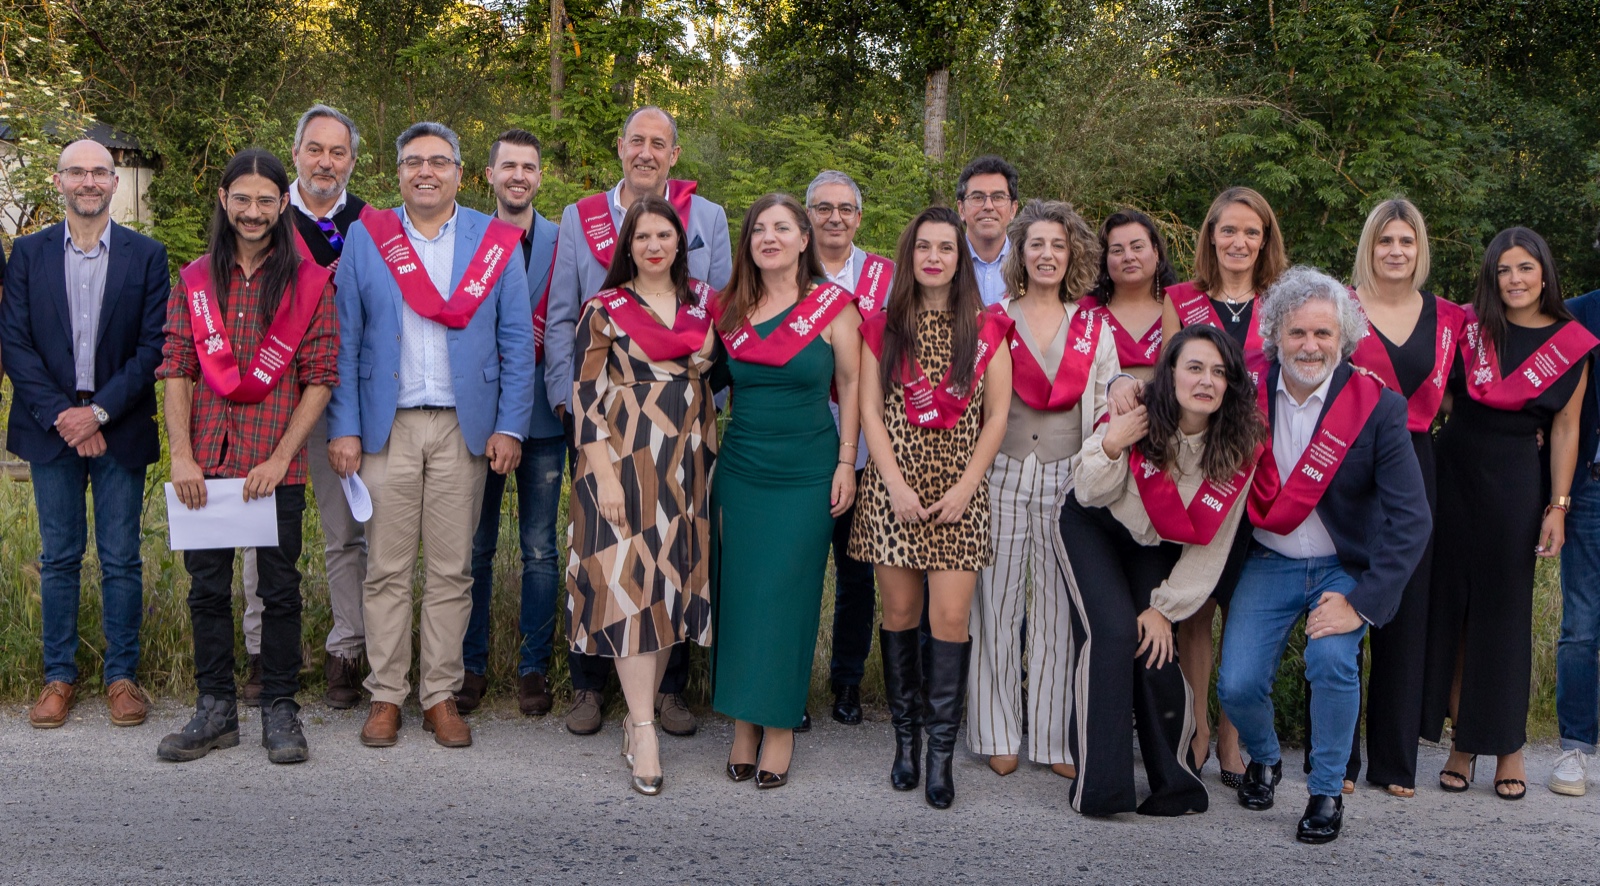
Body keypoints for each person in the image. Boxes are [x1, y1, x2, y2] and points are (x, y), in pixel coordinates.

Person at [327, 122, 535, 750]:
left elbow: (517, 341)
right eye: (413, 161)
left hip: (461, 428)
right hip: (385, 427)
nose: (426, 171)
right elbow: (346, 337)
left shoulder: (493, 241)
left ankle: (439, 695)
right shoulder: (368, 238)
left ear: (460, 174)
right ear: (396, 173)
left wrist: (509, 424)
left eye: (439, 162)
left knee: (451, 570)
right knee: (386, 568)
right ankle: (386, 695)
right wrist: (344, 427)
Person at [1217, 266, 1429, 843]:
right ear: (1275, 336)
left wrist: (1362, 603)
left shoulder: (1377, 406)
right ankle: (1264, 756)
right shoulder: (1244, 394)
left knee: (1332, 663)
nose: (1310, 346)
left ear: (1343, 339)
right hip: (1268, 559)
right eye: (1297, 334)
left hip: (1342, 565)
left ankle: (1326, 790)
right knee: (1235, 685)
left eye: (1323, 334)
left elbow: (1413, 519)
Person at [544, 105, 732, 738]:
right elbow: (564, 316)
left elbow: (727, 321)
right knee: (608, 556)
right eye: (637, 142)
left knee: (673, 558)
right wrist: (577, 417)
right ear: (621, 148)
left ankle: (668, 691)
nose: (647, 152)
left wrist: (707, 401)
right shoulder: (581, 219)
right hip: (612, 431)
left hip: (683, 444)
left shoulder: (709, 220)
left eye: (660, 143)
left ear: (673, 154)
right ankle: (591, 688)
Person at [154, 148, 339, 764]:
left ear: (283, 204)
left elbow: (319, 378)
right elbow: (177, 366)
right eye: (242, 199)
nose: (253, 211)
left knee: (280, 591)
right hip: (204, 460)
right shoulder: (194, 280)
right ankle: (215, 710)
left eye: (265, 200)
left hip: (270, 465)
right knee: (206, 590)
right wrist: (181, 456)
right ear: (223, 200)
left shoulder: (310, 282)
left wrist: (284, 457)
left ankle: (280, 708)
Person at [1064, 324, 1267, 816]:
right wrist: (1113, 444)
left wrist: (1164, 609)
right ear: (1170, 372)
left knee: (1153, 643)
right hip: (1094, 526)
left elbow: (1210, 549)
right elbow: (1089, 490)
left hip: (1153, 545)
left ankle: (1176, 783)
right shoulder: (1137, 412)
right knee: (1112, 633)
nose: (1206, 381)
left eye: (1219, 372)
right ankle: (1101, 788)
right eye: (1194, 367)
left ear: (1231, 384)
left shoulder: (1238, 446)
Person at [1422, 227, 1596, 799]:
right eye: (1503, 271)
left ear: (1544, 272)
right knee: (1454, 610)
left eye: (1525, 268)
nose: (1515, 280)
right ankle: (1462, 745)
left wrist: (1559, 505)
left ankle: (1509, 748)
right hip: (1454, 472)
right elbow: (1438, 393)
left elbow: (1567, 426)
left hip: (1518, 482)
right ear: (1491, 277)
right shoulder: (1471, 328)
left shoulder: (1572, 341)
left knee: (1503, 614)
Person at [1, 139, 169, 730]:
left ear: (115, 182)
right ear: (60, 181)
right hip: (50, 428)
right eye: (77, 171)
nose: (89, 181)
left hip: (117, 424)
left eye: (100, 171)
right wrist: (65, 417)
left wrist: (96, 414)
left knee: (122, 558)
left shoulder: (147, 255)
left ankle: (122, 676)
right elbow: (14, 344)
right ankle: (58, 677)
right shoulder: (27, 253)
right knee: (59, 558)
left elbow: (154, 347)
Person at [851, 205, 1013, 809]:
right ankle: (906, 746)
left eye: (946, 248)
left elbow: (997, 415)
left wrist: (969, 484)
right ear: (909, 254)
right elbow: (868, 410)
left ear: (960, 256)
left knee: (948, 624)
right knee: (898, 618)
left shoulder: (986, 327)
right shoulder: (884, 325)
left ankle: (942, 757)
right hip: (896, 492)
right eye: (924, 248)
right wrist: (890, 482)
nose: (935, 258)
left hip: (959, 495)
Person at [1127, 186, 1289, 787]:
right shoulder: (1182, 300)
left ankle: (1232, 742)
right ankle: (1192, 736)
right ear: (1210, 237)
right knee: (1193, 611)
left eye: (1252, 232)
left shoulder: (1283, 304)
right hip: (1196, 476)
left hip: (1260, 475)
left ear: (1265, 240)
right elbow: (1167, 385)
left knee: (1241, 611)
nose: (1239, 242)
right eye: (1228, 231)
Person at [1310, 198, 1464, 797]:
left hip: (1416, 462)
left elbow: (1460, 395)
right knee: (1341, 594)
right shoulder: (1338, 308)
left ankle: (1395, 762)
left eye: (1406, 241)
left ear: (1419, 249)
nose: (1395, 251)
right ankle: (1337, 760)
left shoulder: (1449, 317)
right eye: (1384, 241)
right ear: (1368, 248)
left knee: (1404, 605)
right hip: (1346, 460)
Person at [710, 193, 862, 789]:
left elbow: (851, 386)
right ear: (748, 244)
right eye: (758, 230)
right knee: (741, 594)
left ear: (805, 239)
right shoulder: (731, 311)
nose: (769, 237)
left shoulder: (833, 308)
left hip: (807, 470)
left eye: (782, 228)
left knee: (787, 596)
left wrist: (846, 462)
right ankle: (744, 724)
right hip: (742, 470)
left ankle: (777, 728)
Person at [568, 196, 719, 795]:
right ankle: (643, 728)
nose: (653, 245)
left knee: (669, 595)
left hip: (687, 467)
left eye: (664, 235)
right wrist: (603, 474)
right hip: (625, 463)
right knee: (631, 593)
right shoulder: (604, 309)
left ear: (679, 243)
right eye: (642, 236)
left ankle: (642, 718)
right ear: (626, 245)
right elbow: (583, 394)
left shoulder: (701, 307)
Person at [966, 200, 1116, 780]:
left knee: (1055, 608)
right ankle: (996, 731)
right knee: (996, 602)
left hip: (1067, 474)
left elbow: (1104, 405)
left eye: (1058, 245)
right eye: (1036, 245)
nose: (1048, 255)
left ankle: (1054, 738)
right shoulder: (993, 316)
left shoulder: (1094, 325)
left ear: (1071, 253)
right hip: (1001, 470)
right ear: (1019, 254)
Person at [236, 104, 372, 710]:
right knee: (257, 530)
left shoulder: (374, 226)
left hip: (342, 400)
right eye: (314, 149)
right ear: (295, 153)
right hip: (272, 397)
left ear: (350, 160)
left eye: (337, 152)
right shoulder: (264, 212)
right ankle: (264, 652)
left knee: (346, 536)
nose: (325, 162)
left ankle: (348, 651)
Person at [457, 128, 563, 718]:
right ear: (490, 176)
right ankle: (470, 667)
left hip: (544, 419)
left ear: (539, 177)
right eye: (508, 166)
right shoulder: (470, 237)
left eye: (529, 166)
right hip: (479, 416)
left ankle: (532, 668)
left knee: (540, 549)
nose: (518, 176)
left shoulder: (561, 238)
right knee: (473, 548)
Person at [806, 169, 894, 726]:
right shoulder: (788, 271)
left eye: (845, 208)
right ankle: (789, 681)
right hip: (806, 441)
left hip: (868, 445)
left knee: (858, 574)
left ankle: (847, 682)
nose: (834, 217)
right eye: (823, 207)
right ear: (808, 214)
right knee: (801, 570)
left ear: (859, 217)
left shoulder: (886, 276)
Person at [1551, 269, 1600, 797]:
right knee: (1581, 624)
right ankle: (1575, 750)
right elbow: (1554, 398)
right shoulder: (1580, 314)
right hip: (1590, 488)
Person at [1080, 208, 1174, 381]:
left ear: (1156, 252)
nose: (1128, 257)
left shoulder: (1181, 307)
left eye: (1137, 247)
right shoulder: (1083, 312)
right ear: (1104, 259)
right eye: (1117, 250)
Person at [955, 156, 1020, 306]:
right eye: (977, 197)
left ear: (1013, 209)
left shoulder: (1028, 265)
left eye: (998, 197)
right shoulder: (943, 263)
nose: (988, 206)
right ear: (961, 209)